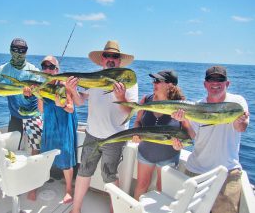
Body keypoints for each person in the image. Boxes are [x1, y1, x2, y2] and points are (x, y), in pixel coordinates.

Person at [66, 40, 138, 213]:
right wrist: (72, 90)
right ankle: (76, 209)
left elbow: (130, 110)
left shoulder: (128, 81)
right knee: (83, 172)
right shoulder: (93, 78)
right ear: (101, 59)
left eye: (115, 56)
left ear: (119, 61)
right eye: (107, 55)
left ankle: (114, 210)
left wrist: (121, 96)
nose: (111, 59)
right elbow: (80, 101)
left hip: (114, 138)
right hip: (92, 134)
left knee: (109, 176)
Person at [172, 66, 250, 213]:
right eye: (211, 79)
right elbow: (192, 135)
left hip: (228, 172)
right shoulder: (196, 106)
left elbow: (241, 127)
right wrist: (183, 121)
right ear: (205, 84)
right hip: (196, 170)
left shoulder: (237, 102)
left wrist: (242, 121)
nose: (215, 83)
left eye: (220, 79)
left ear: (227, 83)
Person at [132, 70, 187, 200]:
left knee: (162, 190)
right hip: (145, 153)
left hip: (168, 156)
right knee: (141, 185)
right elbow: (138, 121)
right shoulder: (146, 100)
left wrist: (181, 144)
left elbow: (189, 133)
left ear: (170, 85)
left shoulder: (181, 106)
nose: (154, 83)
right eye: (154, 80)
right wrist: (136, 132)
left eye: (158, 81)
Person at [38, 55, 78, 204]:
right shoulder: (42, 86)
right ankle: (39, 182)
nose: (47, 70)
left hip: (63, 125)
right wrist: (38, 95)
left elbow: (71, 108)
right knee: (46, 154)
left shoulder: (63, 85)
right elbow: (41, 110)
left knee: (65, 157)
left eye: (51, 67)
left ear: (57, 70)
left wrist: (61, 104)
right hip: (49, 125)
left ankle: (69, 190)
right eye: (45, 67)